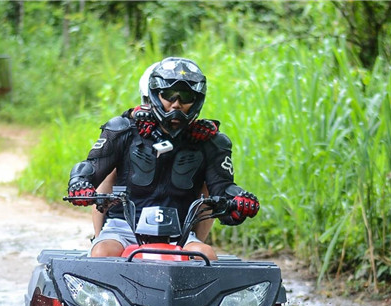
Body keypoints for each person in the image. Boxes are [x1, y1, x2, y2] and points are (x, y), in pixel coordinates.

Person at [67, 57, 259, 260]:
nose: (176, 104)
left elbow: (223, 187)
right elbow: (91, 166)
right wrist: (79, 184)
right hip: (123, 228)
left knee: (206, 255)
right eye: (169, 95)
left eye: (186, 97)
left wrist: (240, 200)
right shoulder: (123, 129)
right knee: (102, 253)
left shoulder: (210, 141)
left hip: (180, 234)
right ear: (154, 95)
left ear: (197, 99)